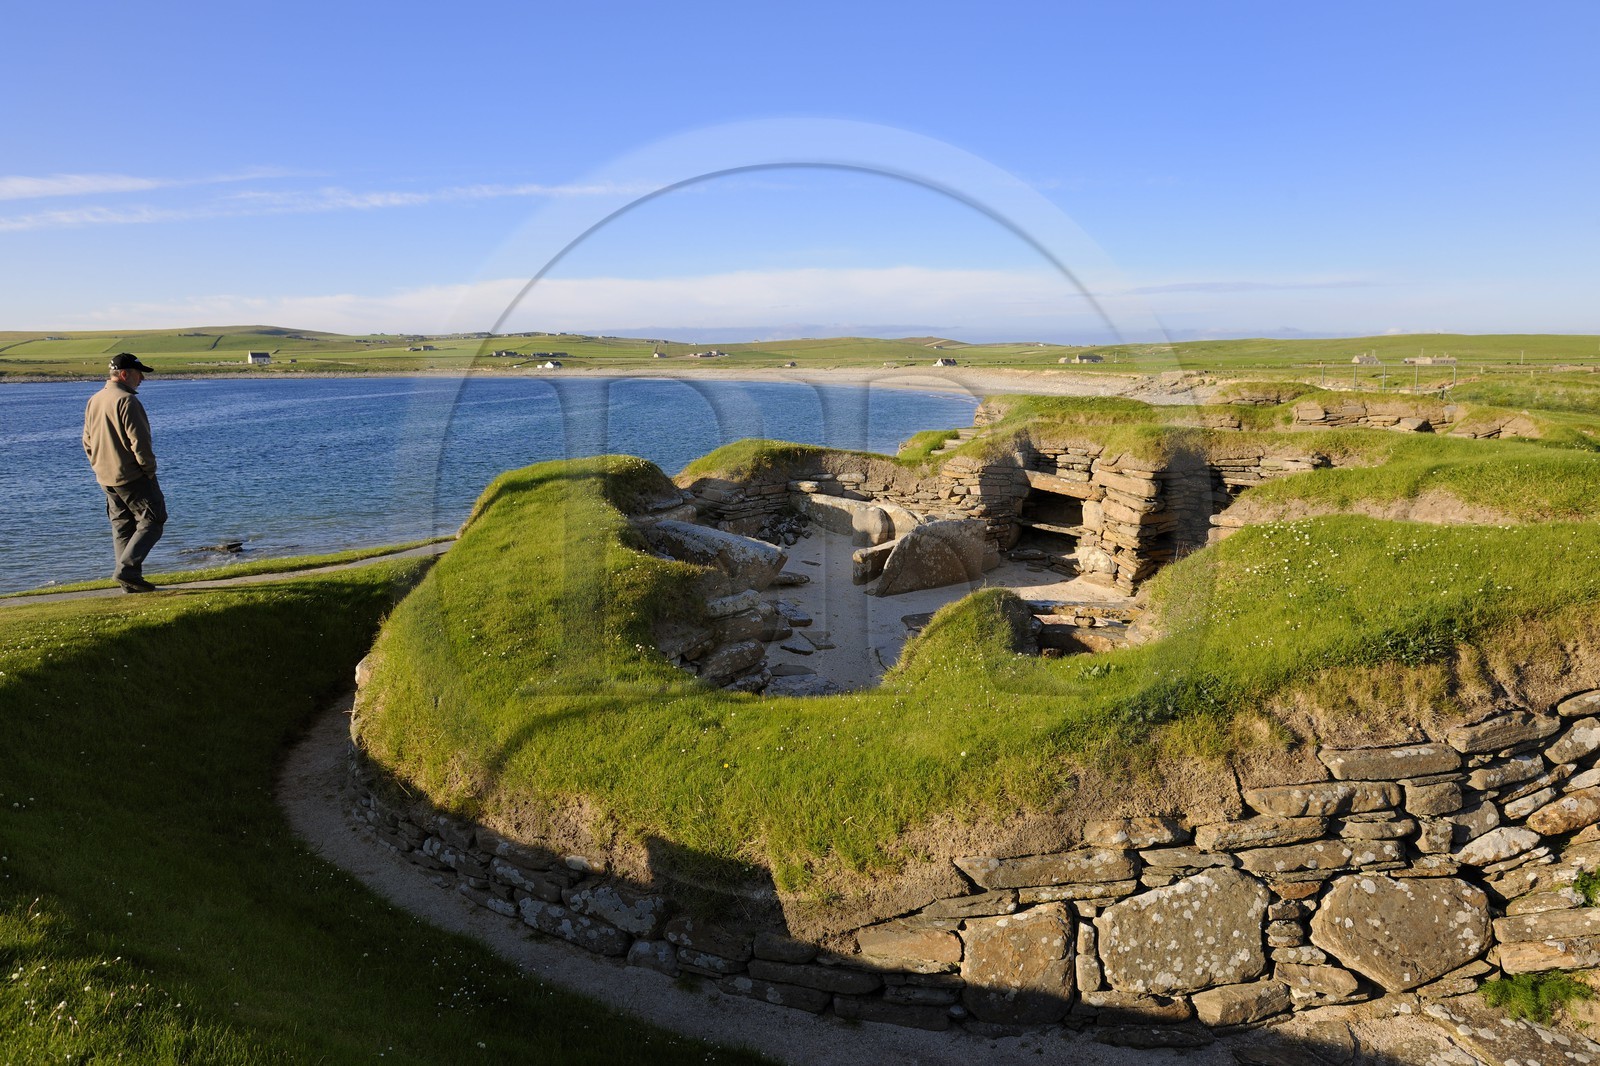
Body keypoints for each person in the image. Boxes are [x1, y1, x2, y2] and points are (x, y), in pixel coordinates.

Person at [83, 353, 167, 592]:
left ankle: (129, 582)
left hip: (106, 476)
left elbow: (87, 441)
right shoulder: (127, 401)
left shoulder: (95, 400)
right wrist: (148, 470)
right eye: (139, 374)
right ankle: (127, 571)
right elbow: (140, 443)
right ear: (124, 374)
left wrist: (97, 465)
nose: (142, 379)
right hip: (131, 475)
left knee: (123, 526)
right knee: (154, 519)